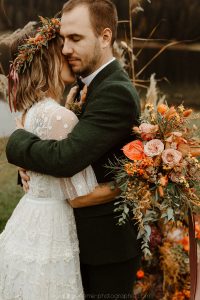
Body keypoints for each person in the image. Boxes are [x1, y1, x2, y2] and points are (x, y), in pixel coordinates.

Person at [6, 0, 142, 299]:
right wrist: (28, 170)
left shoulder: (115, 91)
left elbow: (65, 157)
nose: (66, 49)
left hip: (104, 249)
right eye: (64, 39)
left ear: (105, 37)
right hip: (66, 239)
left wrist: (16, 144)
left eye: (76, 39)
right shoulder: (80, 86)